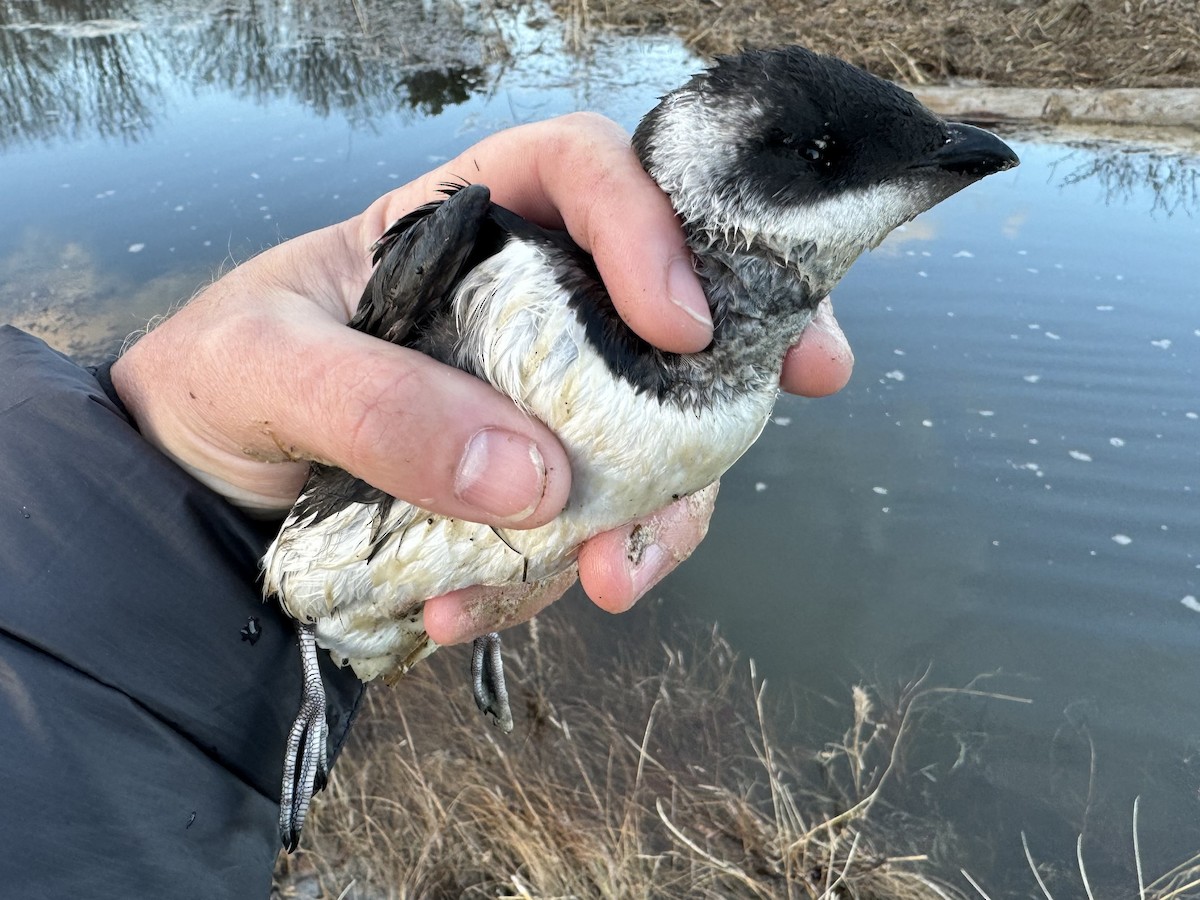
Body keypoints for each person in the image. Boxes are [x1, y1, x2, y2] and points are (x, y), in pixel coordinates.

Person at [0, 113, 852, 898]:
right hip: (252, 591)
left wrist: (162, 479)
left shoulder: (734, 342)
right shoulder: (489, 248)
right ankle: (306, 662)